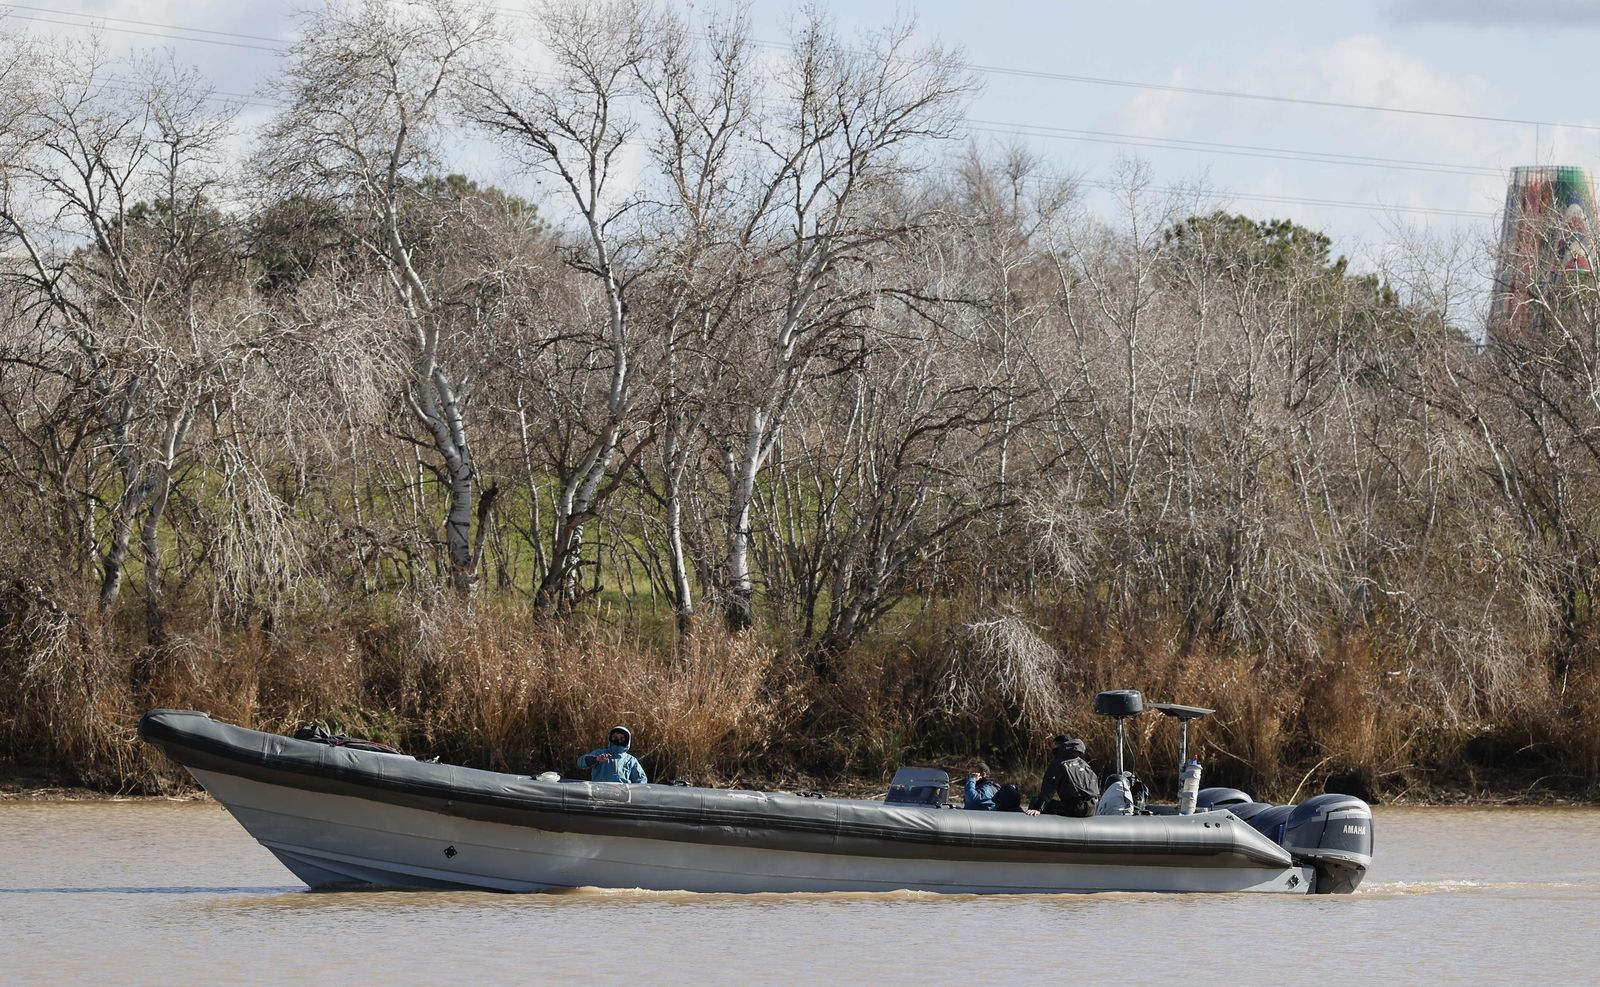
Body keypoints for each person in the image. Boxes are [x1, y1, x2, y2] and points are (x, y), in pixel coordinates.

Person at [1025, 736, 1099, 817]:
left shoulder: (1058, 763)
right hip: (1092, 808)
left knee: (1035, 801)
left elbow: (1048, 789)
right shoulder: (1082, 763)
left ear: (1058, 746)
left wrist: (1038, 808)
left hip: (1076, 809)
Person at [577, 725, 648, 783]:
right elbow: (581, 763)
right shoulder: (600, 753)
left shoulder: (631, 760)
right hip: (599, 794)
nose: (618, 740)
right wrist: (595, 759)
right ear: (610, 738)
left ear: (627, 741)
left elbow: (641, 781)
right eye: (615, 737)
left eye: (622, 738)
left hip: (622, 797)